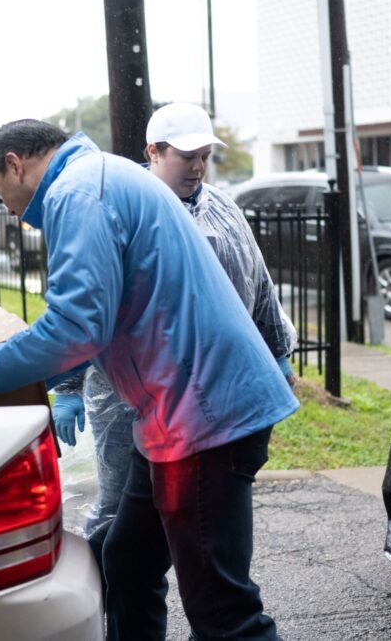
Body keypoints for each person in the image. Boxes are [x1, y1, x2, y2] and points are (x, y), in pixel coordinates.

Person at [0, 118, 298, 640]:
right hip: (175, 414)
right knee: (126, 563)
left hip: (203, 417)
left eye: (0, 193)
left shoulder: (79, 191)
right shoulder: (101, 176)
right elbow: (101, 323)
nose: (9, 211)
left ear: (15, 165)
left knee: (223, 613)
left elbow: (76, 327)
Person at [52, 102, 298, 590]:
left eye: (205, 155)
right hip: (131, 396)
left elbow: (258, 281)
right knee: (123, 513)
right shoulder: (119, 207)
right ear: (153, 152)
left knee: (186, 535)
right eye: (187, 156)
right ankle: (107, 607)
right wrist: (68, 383)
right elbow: (84, 299)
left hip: (211, 398)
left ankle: (160, 597)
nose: (198, 167)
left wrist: (277, 349)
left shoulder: (220, 206)